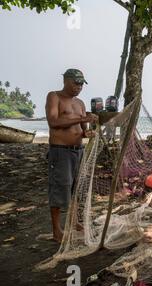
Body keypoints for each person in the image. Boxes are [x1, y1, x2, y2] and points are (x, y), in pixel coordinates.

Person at [45, 68, 98, 242]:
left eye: (82, 83)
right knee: (60, 188)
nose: (79, 86)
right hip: (60, 152)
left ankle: (75, 221)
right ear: (66, 80)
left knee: (77, 188)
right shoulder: (54, 96)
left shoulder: (80, 103)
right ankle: (56, 230)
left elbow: (83, 131)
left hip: (79, 151)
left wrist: (88, 133)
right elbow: (53, 122)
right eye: (76, 82)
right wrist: (81, 120)